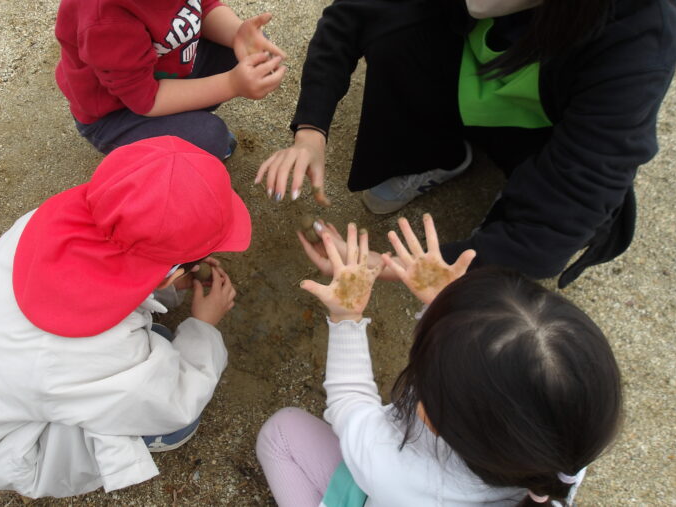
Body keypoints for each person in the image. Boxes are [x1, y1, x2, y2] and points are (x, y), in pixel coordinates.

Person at [255, 0, 676, 287]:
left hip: (541, 129)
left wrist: (392, 267)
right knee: (395, 24)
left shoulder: (639, 29)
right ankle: (439, 154)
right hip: (465, 82)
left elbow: (561, 218)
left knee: (536, 222)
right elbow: (352, 15)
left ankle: (517, 191)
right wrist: (310, 130)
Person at [0, 136, 251, 498]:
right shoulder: (101, 354)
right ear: (172, 273)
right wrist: (203, 327)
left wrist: (161, 279)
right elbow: (174, 403)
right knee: (174, 424)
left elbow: (106, 265)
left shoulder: (47, 219)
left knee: (154, 347)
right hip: (12, 448)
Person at [256, 215, 623, 506]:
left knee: (280, 433)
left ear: (431, 416)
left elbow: (350, 404)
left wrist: (346, 316)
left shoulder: (396, 473)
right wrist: (446, 301)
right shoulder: (562, 446)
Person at [55, 0, 287, 158]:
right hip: (118, 112)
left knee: (247, 50)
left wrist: (237, 33)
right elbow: (145, 98)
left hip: (165, 67)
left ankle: (183, 120)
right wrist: (232, 84)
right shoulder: (104, 14)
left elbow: (204, 5)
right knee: (210, 138)